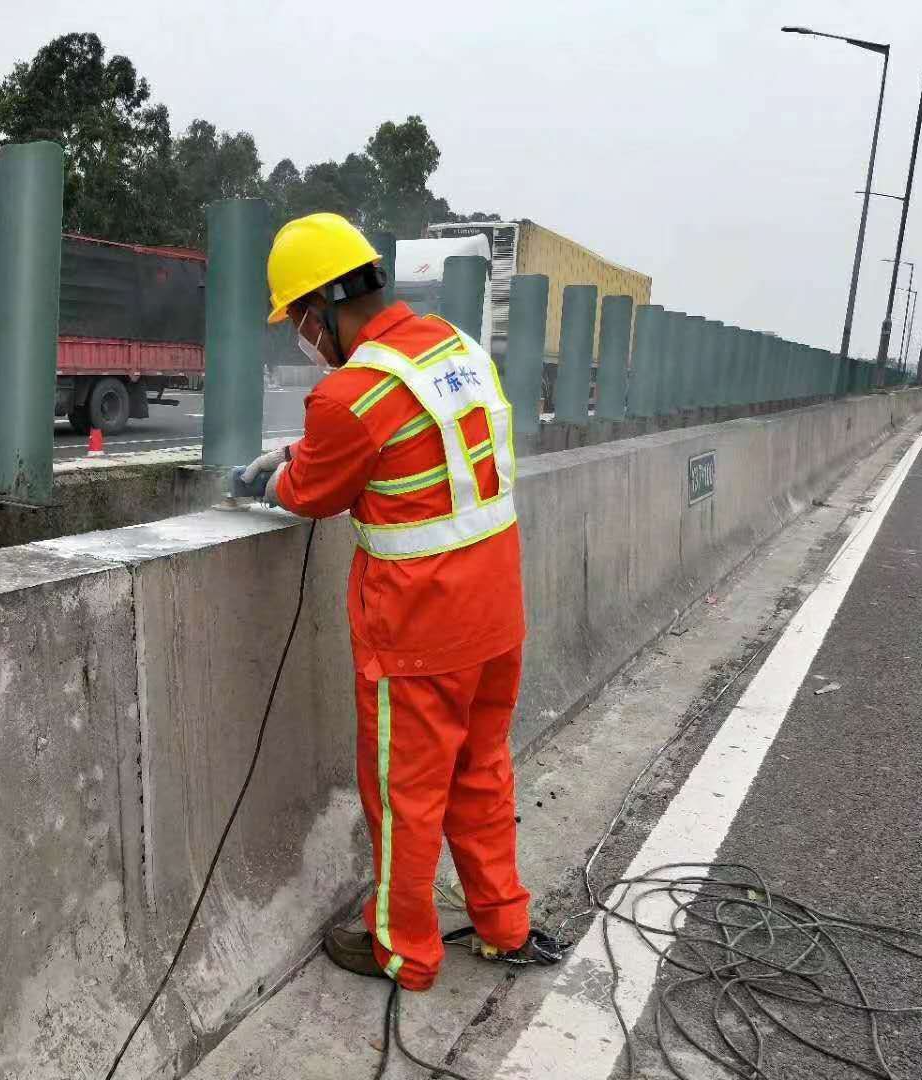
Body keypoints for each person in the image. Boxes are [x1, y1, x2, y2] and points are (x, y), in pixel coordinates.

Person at [235, 213, 561, 992]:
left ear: (320, 312)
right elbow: (403, 437)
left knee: (406, 799)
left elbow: (314, 491)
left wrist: (268, 477)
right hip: (496, 620)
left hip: (417, 637)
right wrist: (296, 451)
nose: (303, 341)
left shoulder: (351, 393)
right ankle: (504, 924)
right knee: (481, 773)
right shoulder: (454, 347)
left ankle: (404, 951)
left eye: (301, 325)